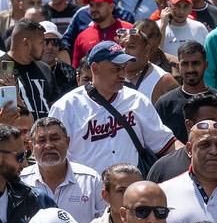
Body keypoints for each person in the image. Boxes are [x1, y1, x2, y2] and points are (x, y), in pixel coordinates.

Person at [50, 41, 177, 171]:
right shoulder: (65, 107)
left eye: (124, 67)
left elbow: (166, 145)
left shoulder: (136, 100)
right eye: (116, 69)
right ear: (95, 68)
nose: (122, 74)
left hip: (130, 187)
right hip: (87, 189)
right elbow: (52, 158)